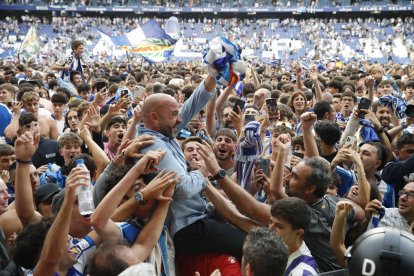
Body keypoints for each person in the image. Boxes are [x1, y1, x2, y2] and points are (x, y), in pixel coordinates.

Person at [136, 75, 247, 260]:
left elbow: (194, 103)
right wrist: (200, 172)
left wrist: (214, 74)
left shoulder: (164, 132)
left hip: (195, 220)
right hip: (188, 228)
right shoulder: (154, 145)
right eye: (174, 114)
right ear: (155, 118)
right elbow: (183, 187)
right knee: (250, 246)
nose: (180, 120)